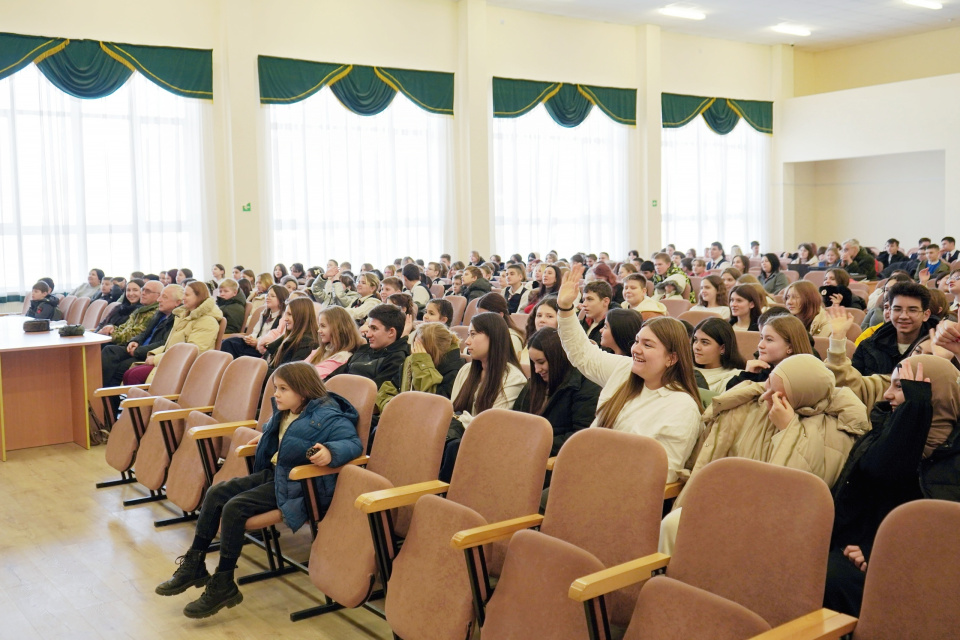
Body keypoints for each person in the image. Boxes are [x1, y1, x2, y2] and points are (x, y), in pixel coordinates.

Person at [155, 362, 361, 618]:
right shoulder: (288, 410)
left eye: (283, 389)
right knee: (216, 492)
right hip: (276, 474)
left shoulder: (328, 416)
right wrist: (266, 436)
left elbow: (352, 443)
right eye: (276, 388)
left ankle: (224, 581)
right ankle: (194, 563)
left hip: (300, 485)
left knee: (235, 507)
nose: (276, 394)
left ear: (303, 390)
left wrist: (331, 451)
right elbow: (286, 433)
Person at [661, 354, 870, 554]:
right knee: (674, 524)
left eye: (779, 395)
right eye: (768, 384)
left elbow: (793, 491)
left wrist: (788, 430)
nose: (765, 396)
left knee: (681, 526)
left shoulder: (836, 431)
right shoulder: (749, 404)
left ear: (802, 398)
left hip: (773, 521)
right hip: (727, 500)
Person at [823, 356, 960, 617]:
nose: (887, 395)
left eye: (900, 387)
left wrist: (880, 552)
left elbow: (942, 538)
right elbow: (869, 493)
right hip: (862, 552)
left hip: (922, 573)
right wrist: (865, 545)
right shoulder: (882, 433)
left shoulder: (953, 458)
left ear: (935, 396)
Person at [556, 263, 703, 482]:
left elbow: (665, 473)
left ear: (671, 358)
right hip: (586, 474)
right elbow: (582, 354)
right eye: (636, 341)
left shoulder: (681, 406)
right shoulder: (625, 370)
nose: (636, 349)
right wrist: (566, 309)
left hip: (620, 491)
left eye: (648, 345)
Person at [442, 312, 527, 479]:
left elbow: (491, 427)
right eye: (468, 335)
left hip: (488, 448)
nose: (467, 342)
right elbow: (452, 412)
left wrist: (459, 419)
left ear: (493, 337)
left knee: (453, 446)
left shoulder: (514, 379)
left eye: (473, 334)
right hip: (459, 441)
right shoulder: (466, 370)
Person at [514, 327, 601, 456]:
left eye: (541, 362)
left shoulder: (585, 385)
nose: (537, 370)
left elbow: (581, 436)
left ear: (558, 358)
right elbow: (515, 419)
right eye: (533, 363)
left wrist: (533, 444)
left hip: (559, 460)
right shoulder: (535, 383)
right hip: (528, 453)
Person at [122, 282, 223, 385]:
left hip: (184, 367)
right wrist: (153, 354)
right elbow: (170, 345)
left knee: (133, 375)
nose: (183, 298)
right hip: (172, 361)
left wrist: (156, 359)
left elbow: (193, 353)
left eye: (187, 295)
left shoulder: (207, 321)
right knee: (128, 373)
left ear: (199, 297)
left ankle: (143, 401)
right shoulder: (183, 316)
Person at [101, 284, 183, 390]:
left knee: (121, 367)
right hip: (139, 348)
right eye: (160, 296)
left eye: (164, 297)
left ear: (178, 302)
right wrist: (135, 340)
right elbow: (145, 333)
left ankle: (109, 399)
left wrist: (138, 351)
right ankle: (99, 390)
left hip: (150, 353)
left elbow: (164, 343)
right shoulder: (160, 314)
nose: (159, 300)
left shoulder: (176, 319)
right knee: (109, 350)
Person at [852, 281, 939, 376]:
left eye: (912, 310)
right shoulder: (869, 346)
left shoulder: (936, 347)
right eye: (897, 309)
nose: (904, 316)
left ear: (926, 315)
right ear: (889, 312)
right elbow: (854, 383)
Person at [378, 322, 465, 414]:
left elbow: (431, 403)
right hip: (404, 414)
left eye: (419, 347)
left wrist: (422, 363)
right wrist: (391, 406)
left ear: (433, 350)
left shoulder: (456, 370)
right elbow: (390, 388)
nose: (414, 351)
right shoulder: (414, 360)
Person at [331, 304, 410, 394]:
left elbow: (369, 394)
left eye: (374, 329)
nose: (368, 335)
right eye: (369, 328)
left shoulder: (397, 360)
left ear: (391, 332)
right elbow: (333, 377)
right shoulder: (364, 349)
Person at [725, 315, 815, 389]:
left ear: (790, 347)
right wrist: (748, 374)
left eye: (769, 340)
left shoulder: (801, 380)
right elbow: (729, 397)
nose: (760, 345)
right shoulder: (764, 371)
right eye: (761, 338)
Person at [220, 285, 288, 359]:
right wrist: (250, 338)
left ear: (281, 299)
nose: (268, 298)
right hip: (254, 343)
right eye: (267, 295)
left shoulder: (283, 318)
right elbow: (256, 331)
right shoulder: (264, 314)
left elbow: (275, 340)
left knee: (244, 355)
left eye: (272, 296)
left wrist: (257, 342)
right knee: (228, 343)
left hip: (264, 348)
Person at [306, 306, 364, 380]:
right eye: (319, 326)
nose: (319, 331)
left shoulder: (343, 357)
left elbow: (312, 376)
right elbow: (299, 368)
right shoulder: (323, 349)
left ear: (338, 328)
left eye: (323, 326)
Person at [692, 317, 746, 393]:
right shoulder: (685, 370)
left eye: (704, 342)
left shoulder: (733, 377)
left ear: (722, 348)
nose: (696, 347)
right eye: (695, 340)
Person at [477, 293, 525, 357]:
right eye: (478, 316)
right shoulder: (485, 334)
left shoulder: (512, 339)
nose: (480, 321)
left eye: (484, 316)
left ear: (500, 315)